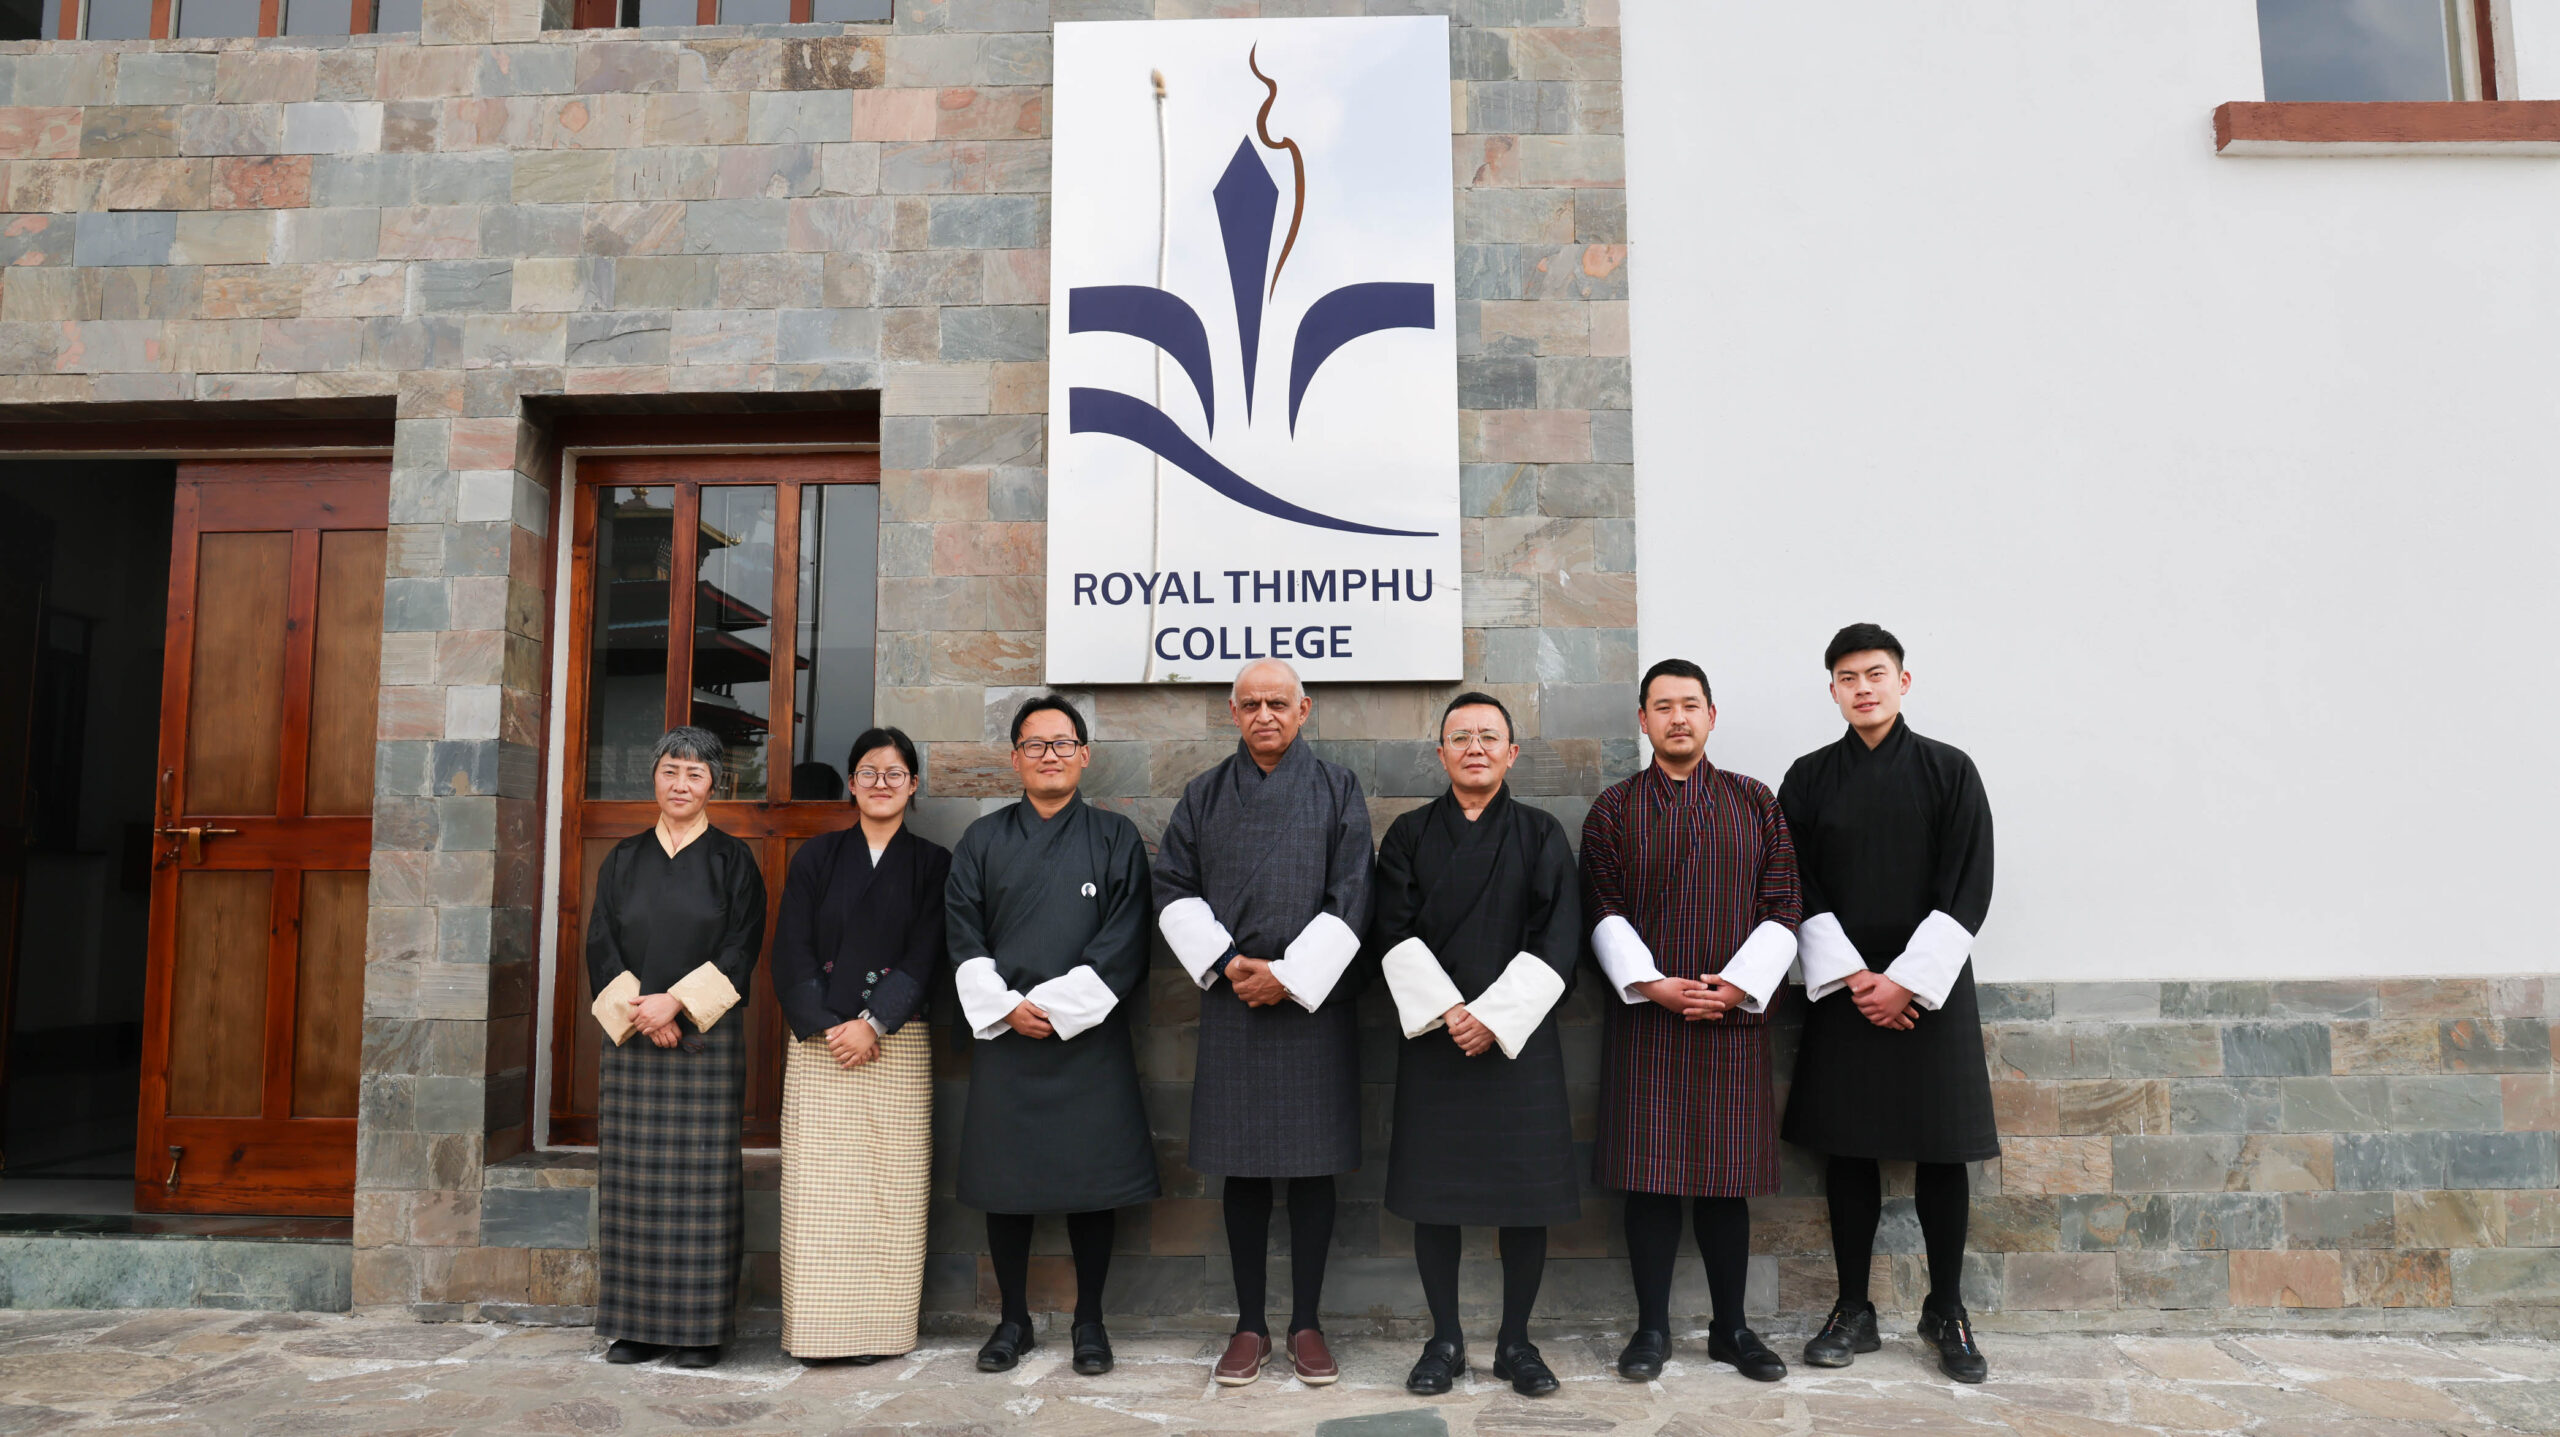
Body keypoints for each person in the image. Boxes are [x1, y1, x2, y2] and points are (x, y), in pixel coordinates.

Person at [1780, 623, 1997, 1384]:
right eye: (1847, 676)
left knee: (1942, 1148)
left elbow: (1968, 886)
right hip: (1846, 990)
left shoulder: (1950, 771)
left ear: (1904, 682)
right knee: (1850, 1146)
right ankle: (1852, 1307)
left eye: (1876, 673)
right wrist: (1857, 978)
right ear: (1833, 689)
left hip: (1929, 991)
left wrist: (1906, 979)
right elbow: (1793, 883)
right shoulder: (1806, 779)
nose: (1863, 686)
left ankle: (1947, 1307)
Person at [1582, 659, 1801, 1384]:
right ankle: (1650, 1328)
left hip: (1731, 1018)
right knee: (1649, 1182)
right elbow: (1603, 908)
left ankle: (1732, 1327)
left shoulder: (1755, 802)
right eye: (1663, 706)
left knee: (1723, 1182)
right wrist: (1652, 984)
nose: (1678, 717)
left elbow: (1783, 906)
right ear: (1643, 721)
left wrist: (1736, 986)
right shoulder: (1614, 809)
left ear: (1712, 715)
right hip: (1650, 1017)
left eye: (1691, 704)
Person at [1155, 658, 1371, 1389]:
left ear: (1305, 709)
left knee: (1311, 1173)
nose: (1265, 714)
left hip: (1311, 1001)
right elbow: (1173, 886)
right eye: (1251, 704)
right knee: (1242, 1171)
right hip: (1234, 999)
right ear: (1233, 712)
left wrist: (1291, 975)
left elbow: (1352, 895)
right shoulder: (1204, 794)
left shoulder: (1338, 789)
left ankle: (1306, 1322)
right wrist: (1228, 961)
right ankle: (1250, 1323)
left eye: (1279, 702)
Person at [1369, 692, 1581, 1400]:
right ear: (1441, 753)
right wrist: (1452, 1011)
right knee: (1438, 1197)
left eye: (1490, 735)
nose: (1476, 747)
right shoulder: (1406, 835)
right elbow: (1391, 931)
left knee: (1525, 1197)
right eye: (1460, 736)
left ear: (1512, 752)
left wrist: (1495, 1015)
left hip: (1517, 1039)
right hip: (1438, 1038)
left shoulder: (1542, 834)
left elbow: (1559, 937)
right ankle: (1445, 1337)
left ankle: (1516, 1340)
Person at [947, 693, 1160, 1378]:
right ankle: (1011, 1318)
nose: (1049, 755)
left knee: (1091, 1186)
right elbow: (961, 933)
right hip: (1006, 1036)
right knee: (1007, 1186)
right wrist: (1007, 1007)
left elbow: (1126, 940)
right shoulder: (981, 841)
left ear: (1084, 755)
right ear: (1015, 758)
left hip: (1086, 1037)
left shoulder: (1116, 838)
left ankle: (1089, 1319)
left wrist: (1059, 1005)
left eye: (1062, 743)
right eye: (1035, 745)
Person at [585, 726, 766, 1370]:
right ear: (654, 779)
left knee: (701, 1186)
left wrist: (679, 1005)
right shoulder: (622, 859)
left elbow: (742, 947)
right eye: (670, 771)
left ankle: (699, 1331)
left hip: (704, 1044)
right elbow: (601, 942)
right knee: (632, 1186)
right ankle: (634, 1326)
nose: (680, 783)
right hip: (634, 1036)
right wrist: (645, 1010)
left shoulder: (734, 861)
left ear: (716, 783)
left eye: (694, 773)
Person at [770, 727, 951, 1366]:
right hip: (822, 1046)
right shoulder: (816, 858)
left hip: (893, 1045)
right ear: (852, 782)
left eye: (894, 773)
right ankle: (818, 1331)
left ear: (913, 785)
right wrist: (828, 1025)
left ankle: (881, 1329)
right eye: (868, 772)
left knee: (889, 1191)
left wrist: (874, 1022)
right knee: (819, 1193)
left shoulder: (933, 864)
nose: (881, 783)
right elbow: (790, 948)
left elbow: (928, 952)